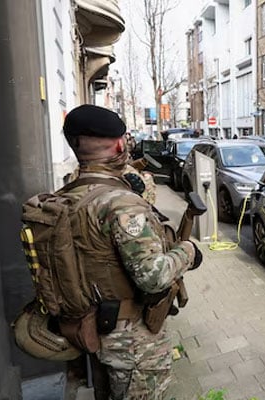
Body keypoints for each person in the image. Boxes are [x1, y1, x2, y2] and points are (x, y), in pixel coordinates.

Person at [60, 104, 200, 399]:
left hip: (89, 326)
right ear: (121, 143)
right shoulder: (120, 203)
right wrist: (188, 251)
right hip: (130, 340)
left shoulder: (67, 194)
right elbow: (153, 276)